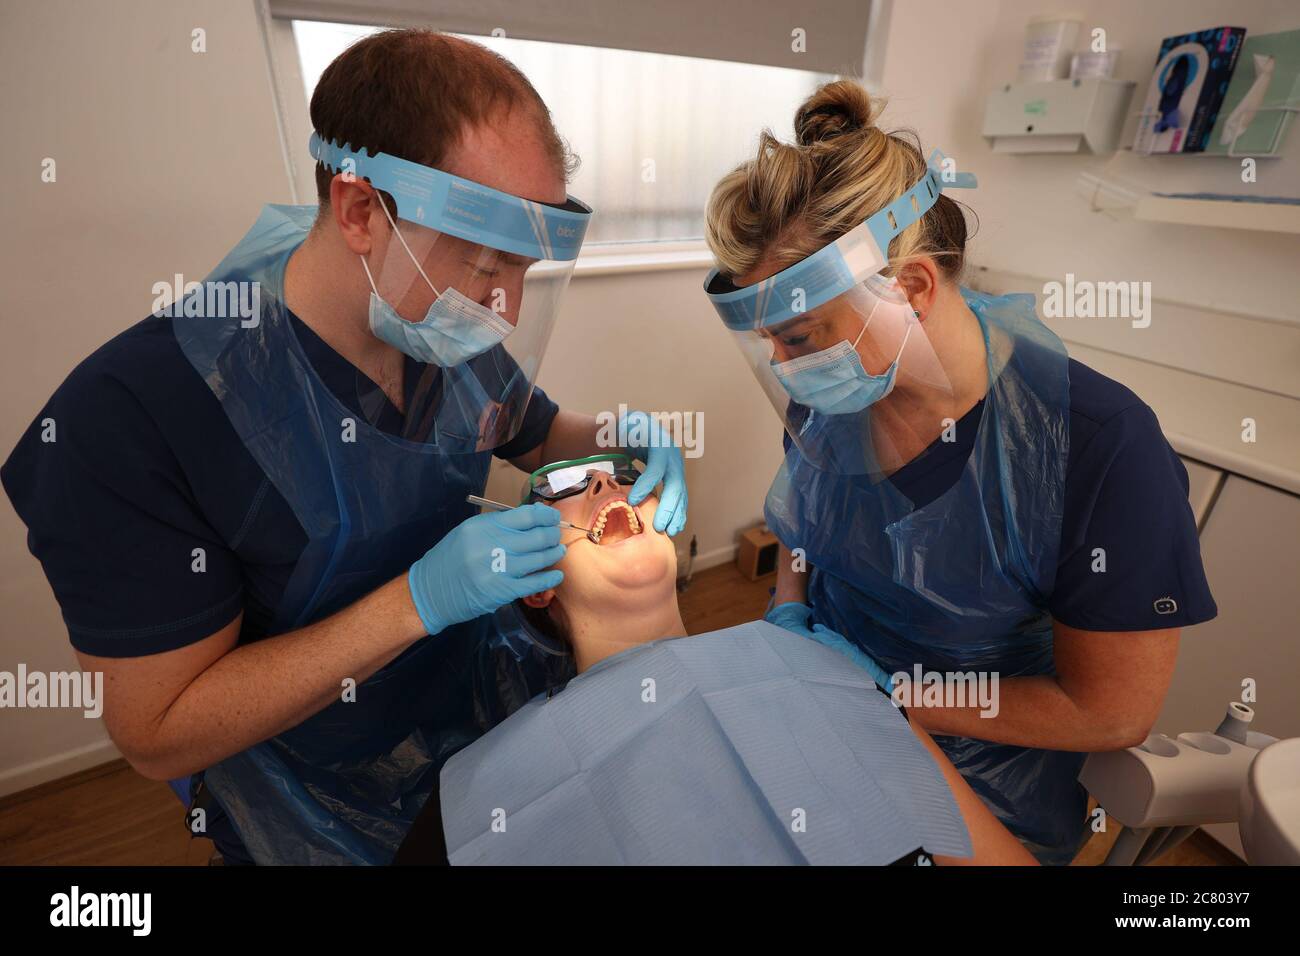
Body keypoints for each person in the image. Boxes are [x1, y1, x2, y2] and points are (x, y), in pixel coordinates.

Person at [1, 30, 687, 865]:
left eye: (526, 274)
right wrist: (415, 601)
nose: (504, 310)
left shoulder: (443, 327)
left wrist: (626, 434)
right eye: (486, 267)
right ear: (360, 211)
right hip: (317, 795)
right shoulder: (130, 416)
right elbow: (159, 733)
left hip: (479, 722)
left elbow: (533, 431)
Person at [700, 80, 1217, 864]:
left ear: (909, 287)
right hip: (828, 704)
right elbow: (806, 524)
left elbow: (1110, 714)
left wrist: (903, 702)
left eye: (800, 336)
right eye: (769, 342)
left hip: (984, 773)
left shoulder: (1098, 450)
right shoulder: (831, 396)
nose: (783, 366)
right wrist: (790, 609)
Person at [393, 456, 1037, 866]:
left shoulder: (818, 668)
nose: (605, 482)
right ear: (537, 583)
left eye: (627, 473)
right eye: (563, 483)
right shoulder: (484, 791)